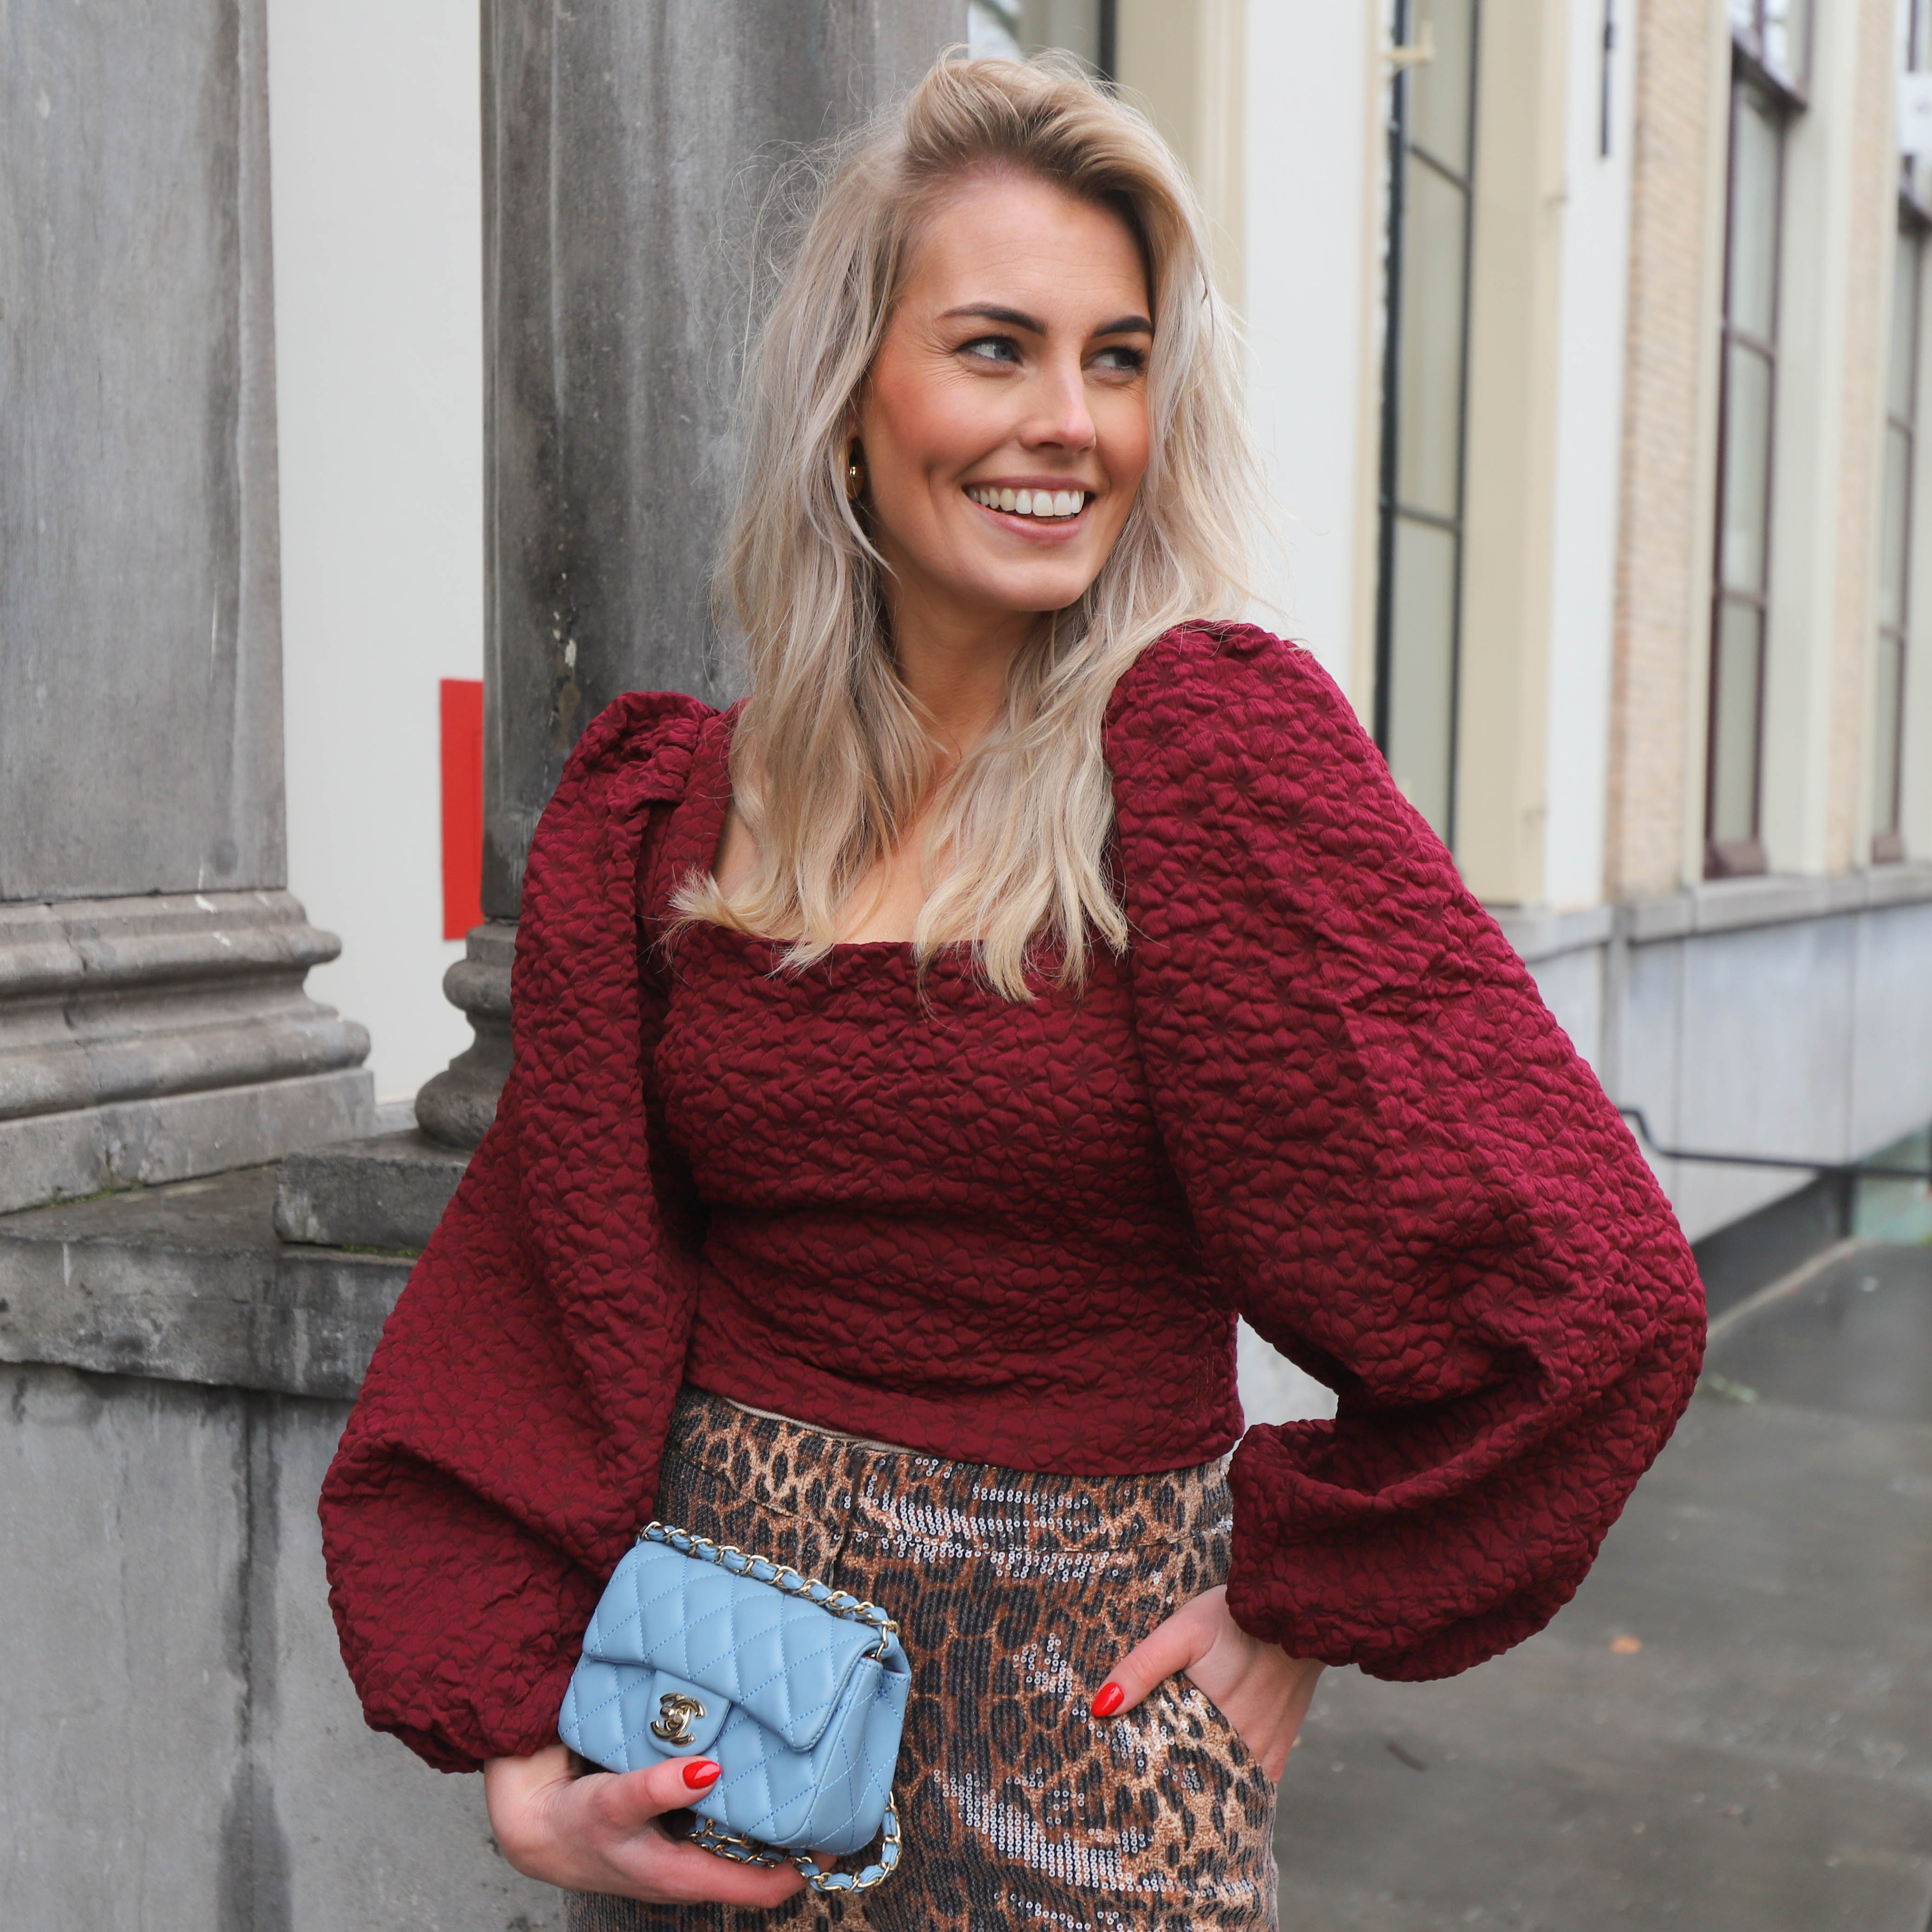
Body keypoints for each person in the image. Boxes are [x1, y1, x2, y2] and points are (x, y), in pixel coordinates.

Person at [319, 54, 1704, 1932]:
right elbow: (542, 1280)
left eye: (1118, 361)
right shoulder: (675, 806)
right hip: (723, 1737)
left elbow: (1592, 1289)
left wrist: (1312, 1593)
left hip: (1089, 1751)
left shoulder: (1212, 768)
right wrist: (509, 1739)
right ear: (850, 400)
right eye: (995, 348)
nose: (1068, 422)